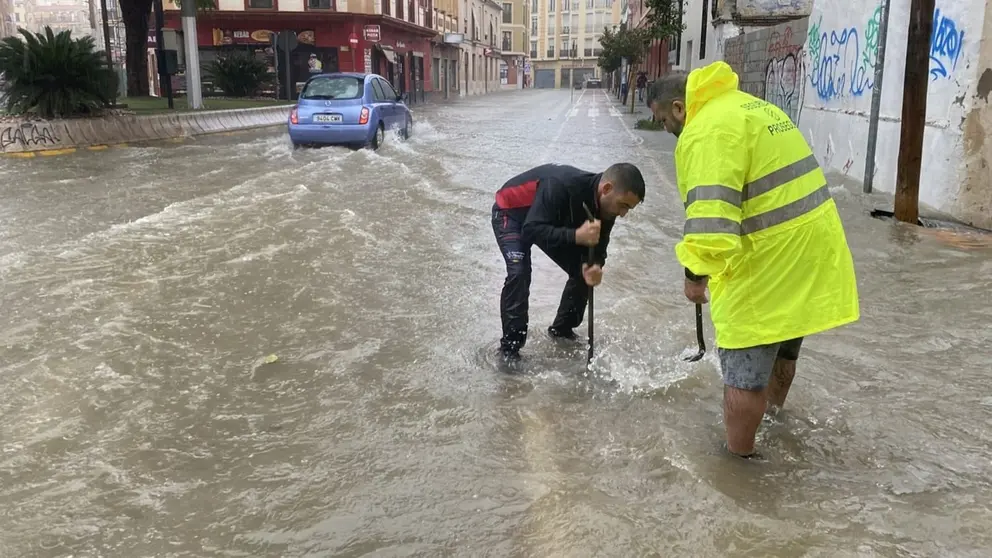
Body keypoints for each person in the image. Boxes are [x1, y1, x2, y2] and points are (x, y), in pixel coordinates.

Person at [646, 62, 860, 459]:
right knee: (784, 349)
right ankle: (774, 420)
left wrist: (695, 276)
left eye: (661, 120)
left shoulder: (706, 130)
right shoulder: (752, 107)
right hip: (812, 253)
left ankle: (739, 465)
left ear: (678, 108)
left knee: (743, 377)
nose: (665, 129)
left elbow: (711, 224)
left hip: (769, 262)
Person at [492, 163, 646, 361]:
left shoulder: (607, 207)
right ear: (606, 188)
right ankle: (509, 350)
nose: (623, 214)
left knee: (584, 270)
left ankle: (562, 331)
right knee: (519, 272)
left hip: (547, 220)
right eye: (623, 205)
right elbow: (530, 230)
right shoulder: (562, 184)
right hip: (511, 215)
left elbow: (598, 248)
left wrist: (595, 267)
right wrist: (575, 235)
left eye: (629, 209)